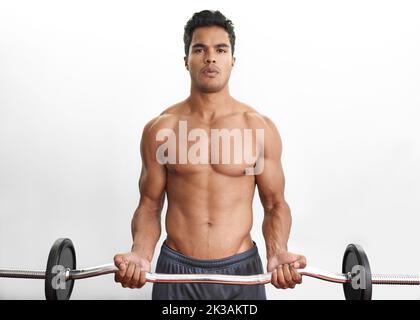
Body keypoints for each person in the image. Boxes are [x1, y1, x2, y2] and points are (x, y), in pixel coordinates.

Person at [114, 9, 306, 300]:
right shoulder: (160, 129)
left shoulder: (258, 128)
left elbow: (275, 204)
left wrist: (277, 252)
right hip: (175, 270)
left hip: (241, 271)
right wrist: (141, 254)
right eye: (199, 49)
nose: (210, 57)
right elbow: (150, 205)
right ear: (186, 60)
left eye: (220, 49)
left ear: (232, 60)